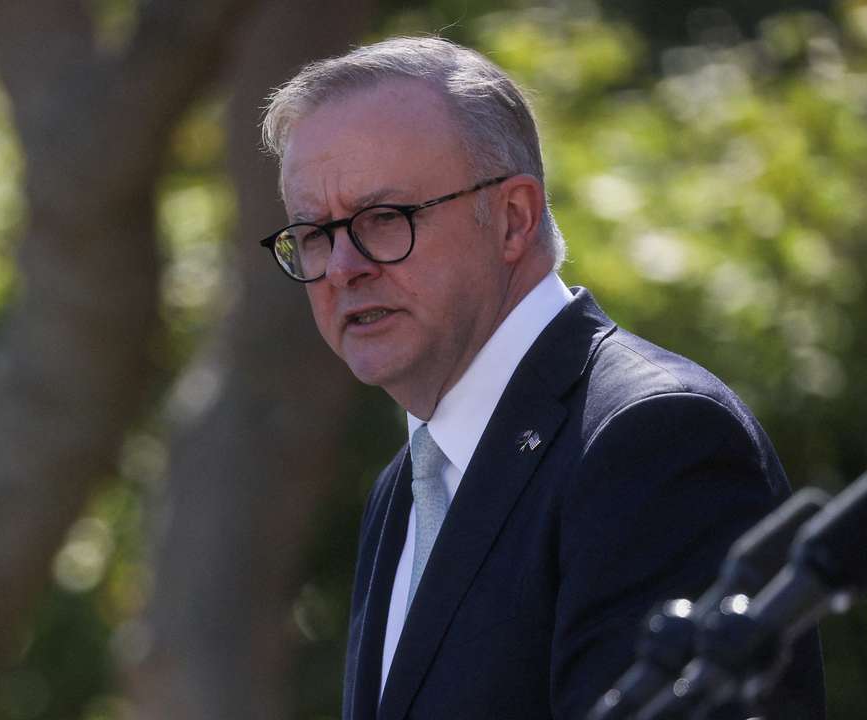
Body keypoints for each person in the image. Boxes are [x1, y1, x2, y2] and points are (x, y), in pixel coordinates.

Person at [257, 36, 825, 719]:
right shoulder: (407, 485)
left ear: (513, 219)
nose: (344, 267)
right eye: (315, 234)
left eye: (383, 219)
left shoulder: (653, 440)